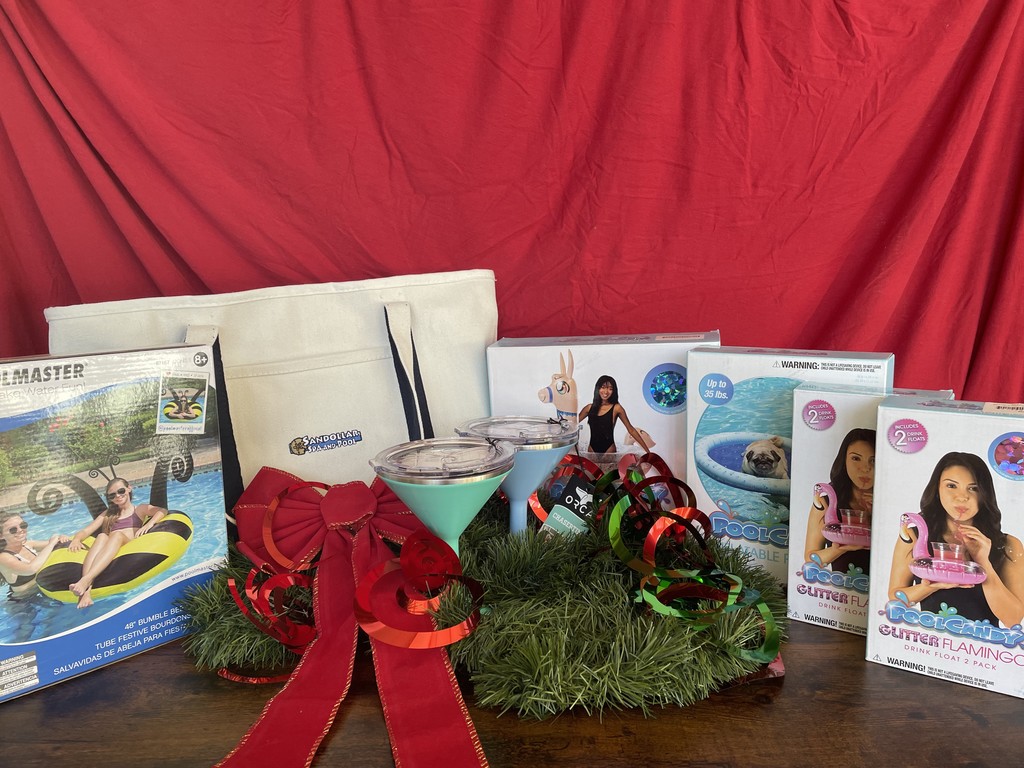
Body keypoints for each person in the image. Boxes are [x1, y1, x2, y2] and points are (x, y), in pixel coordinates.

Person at [888, 452, 1024, 627]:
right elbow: (895, 600)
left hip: (982, 642)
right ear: (937, 489)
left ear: (985, 494)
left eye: (973, 488)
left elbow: (1013, 619)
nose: (962, 497)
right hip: (932, 641)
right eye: (951, 486)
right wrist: (929, 586)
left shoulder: (1007, 545)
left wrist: (983, 562)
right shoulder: (916, 536)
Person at [67, 478, 167, 609]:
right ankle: (86, 593)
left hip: (127, 546)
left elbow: (162, 510)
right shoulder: (108, 514)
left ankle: (85, 581)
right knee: (102, 536)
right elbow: (86, 531)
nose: (118, 496)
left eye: (121, 491)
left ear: (129, 488)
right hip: (110, 549)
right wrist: (76, 539)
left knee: (116, 534)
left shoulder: (139, 509)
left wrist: (149, 524)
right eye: (112, 495)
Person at [804, 428, 875, 573]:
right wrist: (839, 548)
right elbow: (811, 559)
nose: (865, 468)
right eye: (856, 458)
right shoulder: (826, 502)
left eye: (873, 460)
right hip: (843, 585)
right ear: (844, 461)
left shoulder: (892, 505)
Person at [0, 511, 70, 600]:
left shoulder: (28, 545)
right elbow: (31, 569)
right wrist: (51, 544)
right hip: (24, 601)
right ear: (1, 536)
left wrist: (62, 538)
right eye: (13, 530)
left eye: (23, 525)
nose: (20, 530)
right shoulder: (3, 557)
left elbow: (58, 543)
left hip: (44, 592)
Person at [578, 375, 651, 455]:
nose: (606, 392)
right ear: (598, 389)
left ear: (614, 391)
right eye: (603, 387)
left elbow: (631, 430)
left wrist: (647, 451)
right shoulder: (588, 408)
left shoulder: (617, 408)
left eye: (610, 389)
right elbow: (572, 424)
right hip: (591, 449)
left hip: (609, 450)